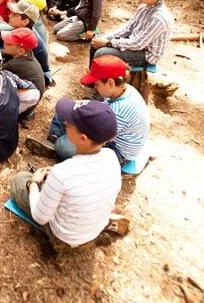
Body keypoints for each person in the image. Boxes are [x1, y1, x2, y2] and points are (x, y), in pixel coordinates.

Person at [9, 99, 121, 252]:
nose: (65, 122)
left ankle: (61, 242)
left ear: (83, 139)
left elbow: (40, 216)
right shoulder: (111, 156)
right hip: (94, 228)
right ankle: (103, 224)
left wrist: (33, 184)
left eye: (70, 122)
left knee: (20, 179)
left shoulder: (62, 173)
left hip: (64, 237)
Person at [26, 56, 150, 173]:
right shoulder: (122, 90)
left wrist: (77, 125)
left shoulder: (120, 110)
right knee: (66, 107)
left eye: (97, 84)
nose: (95, 88)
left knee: (64, 146)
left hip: (117, 151)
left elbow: (100, 139)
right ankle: (54, 138)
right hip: (106, 128)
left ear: (111, 83)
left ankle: (59, 147)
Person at [90, 0, 174, 67]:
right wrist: (107, 37)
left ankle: (102, 79)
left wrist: (108, 43)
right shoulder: (143, 8)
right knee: (96, 41)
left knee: (101, 53)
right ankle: (94, 77)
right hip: (134, 42)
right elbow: (127, 29)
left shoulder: (159, 18)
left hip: (145, 54)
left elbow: (138, 44)